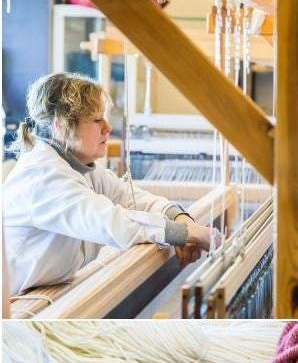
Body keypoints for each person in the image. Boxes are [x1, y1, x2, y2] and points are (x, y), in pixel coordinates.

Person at [3, 73, 217, 296]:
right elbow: (113, 222)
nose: (107, 127)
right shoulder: (42, 177)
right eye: (96, 120)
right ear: (61, 127)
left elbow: (133, 200)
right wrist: (190, 234)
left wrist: (180, 218)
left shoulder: (81, 169)